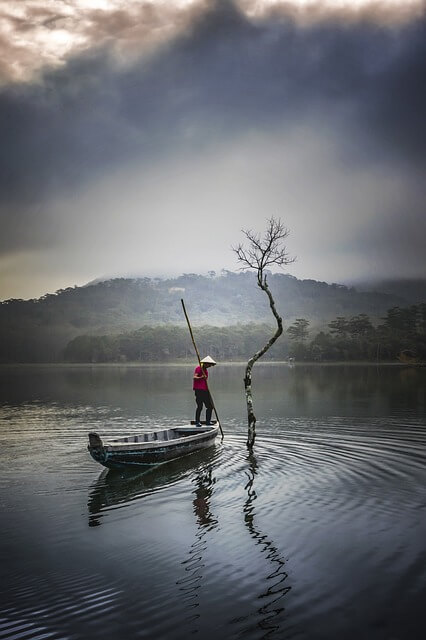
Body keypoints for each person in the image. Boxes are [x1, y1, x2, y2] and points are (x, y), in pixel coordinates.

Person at [193, 355, 216, 427]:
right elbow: (194, 377)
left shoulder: (205, 370)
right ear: (206, 363)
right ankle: (197, 422)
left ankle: (208, 421)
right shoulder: (199, 368)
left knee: (210, 406)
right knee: (200, 406)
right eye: (209, 364)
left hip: (205, 390)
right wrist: (201, 377)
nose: (210, 366)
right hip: (199, 390)